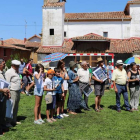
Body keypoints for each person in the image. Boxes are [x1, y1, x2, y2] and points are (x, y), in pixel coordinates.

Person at [5, 60, 22, 125]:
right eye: (17, 66)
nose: (18, 67)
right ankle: (8, 121)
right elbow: (7, 83)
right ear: (13, 65)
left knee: (16, 106)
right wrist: (8, 92)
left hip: (17, 90)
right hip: (12, 91)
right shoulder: (9, 72)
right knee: (11, 106)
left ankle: (14, 120)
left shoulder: (16, 72)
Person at [0, 59, 10, 136]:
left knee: (3, 112)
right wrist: (3, 90)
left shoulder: (3, 73)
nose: (4, 65)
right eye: (3, 64)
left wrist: (7, 91)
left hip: (3, 94)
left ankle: (3, 126)